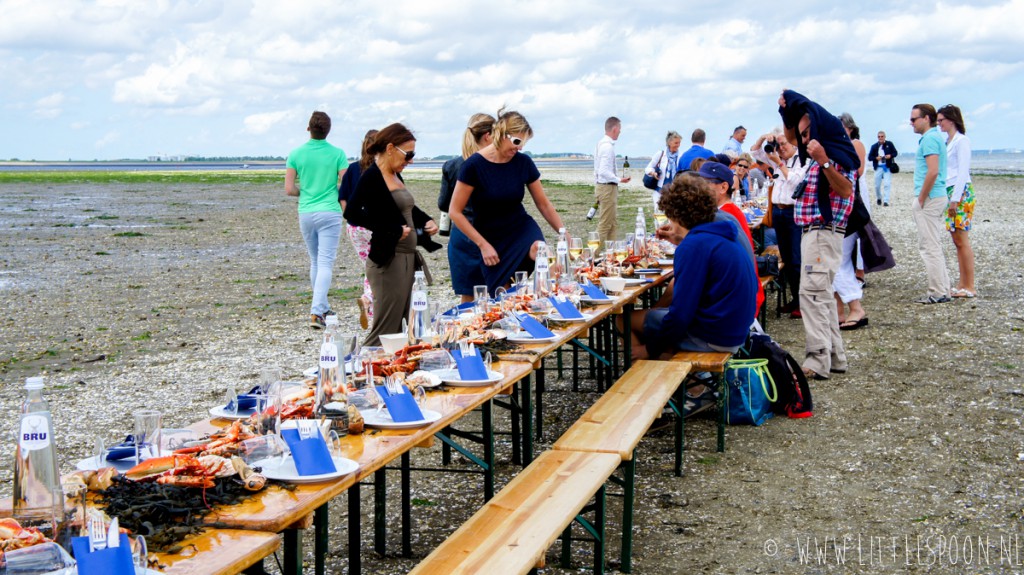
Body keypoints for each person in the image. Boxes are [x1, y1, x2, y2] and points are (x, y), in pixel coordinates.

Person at [627, 175, 756, 416]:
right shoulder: (723, 226)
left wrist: (650, 350)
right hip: (737, 328)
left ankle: (652, 401)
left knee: (625, 320)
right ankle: (687, 386)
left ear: (676, 215)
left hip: (716, 335)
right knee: (659, 321)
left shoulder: (695, 245)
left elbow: (681, 315)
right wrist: (680, 239)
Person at [778, 89, 858, 380]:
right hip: (814, 232)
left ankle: (817, 361)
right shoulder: (814, 152)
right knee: (821, 297)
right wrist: (785, 111)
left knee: (810, 296)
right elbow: (790, 138)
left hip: (824, 232)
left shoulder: (836, 154)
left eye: (808, 132)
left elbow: (846, 189)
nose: (803, 139)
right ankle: (836, 358)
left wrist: (824, 161)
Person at [449, 108, 566, 295]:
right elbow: (455, 211)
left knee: (543, 253)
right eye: (517, 141)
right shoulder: (473, 166)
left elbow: (543, 204)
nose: (519, 148)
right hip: (491, 237)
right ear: (502, 134)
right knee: (501, 294)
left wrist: (563, 233)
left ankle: (556, 300)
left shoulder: (523, 162)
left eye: (523, 143)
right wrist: (483, 245)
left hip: (521, 228)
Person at [344, 123, 439, 346]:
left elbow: (407, 208)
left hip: (406, 258)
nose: (411, 161)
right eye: (409, 155)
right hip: (388, 261)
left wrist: (426, 220)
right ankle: (358, 374)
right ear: (390, 148)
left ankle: (390, 374)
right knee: (384, 330)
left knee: (403, 326)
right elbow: (352, 214)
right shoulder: (372, 177)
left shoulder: (395, 175)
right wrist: (391, 230)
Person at [284, 111, 349, 329]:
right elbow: (346, 184)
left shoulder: (296, 154)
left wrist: (304, 192)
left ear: (308, 128)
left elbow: (289, 189)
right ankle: (315, 312)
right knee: (325, 262)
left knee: (315, 261)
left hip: (306, 211)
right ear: (328, 130)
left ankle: (322, 307)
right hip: (329, 211)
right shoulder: (338, 154)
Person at [439, 113, 496, 303]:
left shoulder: (452, 165)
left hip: (462, 235)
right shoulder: (495, 163)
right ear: (487, 135)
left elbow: (443, 204)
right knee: (498, 295)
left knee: (468, 299)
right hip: (490, 234)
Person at [697, 161, 764, 318]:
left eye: (705, 184)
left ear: (723, 187)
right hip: (746, 292)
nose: (699, 189)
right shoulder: (730, 211)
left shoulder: (722, 217)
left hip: (739, 300)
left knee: (678, 288)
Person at [761, 132, 807, 318]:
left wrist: (779, 163)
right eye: (778, 145)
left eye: (783, 144)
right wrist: (765, 139)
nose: (781, 148)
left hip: (793, 212)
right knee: (787, 259)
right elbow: (756, 153)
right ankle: (794, 300)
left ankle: (802, 303)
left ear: (794, 144)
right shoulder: (777, 159)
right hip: (779, 212)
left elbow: (795, 181)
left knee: (796, 259)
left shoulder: (803, 160)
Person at [909, 104, 951, 304]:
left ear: (926, 118)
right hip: (934, 195)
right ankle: (943, 290)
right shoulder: (932, 138)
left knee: (929, 246)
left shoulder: (930, 139)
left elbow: (933, 171)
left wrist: (921, 197)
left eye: (914, 119)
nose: (911, 123)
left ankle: (937, 292)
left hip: (930, 197)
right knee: (932, 244)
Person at [338, 129, 378, 329]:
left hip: (355, 229)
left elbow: (343, 198)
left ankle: (370, 308)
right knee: (379, 267)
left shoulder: (353, 169)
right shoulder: (381, 171)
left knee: (369, 266)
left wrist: (351, 219)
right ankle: (369, 301)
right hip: (376, 227)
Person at [833, 113, 869, 330]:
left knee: (839, 261)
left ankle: (856, 307)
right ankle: (839, 311)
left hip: (850, 207)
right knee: (833, 262)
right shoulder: (837, 146)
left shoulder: (854, 144)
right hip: (841, 207)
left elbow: (856, 171)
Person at [938, 104, 976, 298]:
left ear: (951, 120)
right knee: (956, 240)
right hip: (951, 190)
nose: (939, 124)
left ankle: (969, 285)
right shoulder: (948, 141)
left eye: (941, 120)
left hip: (960, 192)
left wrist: (955, 199)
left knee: (962, 239)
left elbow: (963, 171)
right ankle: (962, 284)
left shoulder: (962, 141)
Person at [593, 116, 630, 245]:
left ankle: (612, 253)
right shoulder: (607, 147)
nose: (620, 131)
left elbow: (599, 171)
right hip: (607, 188)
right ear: (614, 129)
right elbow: (603, 171)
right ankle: (592, 256)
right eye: (619, 128)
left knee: (612, 223)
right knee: (605, 224)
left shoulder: (601, 144)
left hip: (605, 187)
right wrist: (619, 179)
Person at [643, 130, 681, 210]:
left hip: (674, 192)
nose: (678, 145)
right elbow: (648, 168)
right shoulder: (660, 154)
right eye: (676, 143)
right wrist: (653, 173)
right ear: (669, 142)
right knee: (659, 217)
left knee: (672, 218)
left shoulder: (680, 156)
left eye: (679, 143)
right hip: (659, 191)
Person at [867, 131, 898, 206]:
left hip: (887, 167)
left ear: (885, 137)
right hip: (878, 167)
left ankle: (886, 201)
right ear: (877, 137)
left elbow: (895, 153)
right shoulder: (874, 146)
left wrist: (890, 156)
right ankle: (879, 198)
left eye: (882, 136)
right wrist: (876, 158)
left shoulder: (889, 144)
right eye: (879, 136)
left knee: (887, 184)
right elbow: (869, 157)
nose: (880, 138)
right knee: (877, 185)